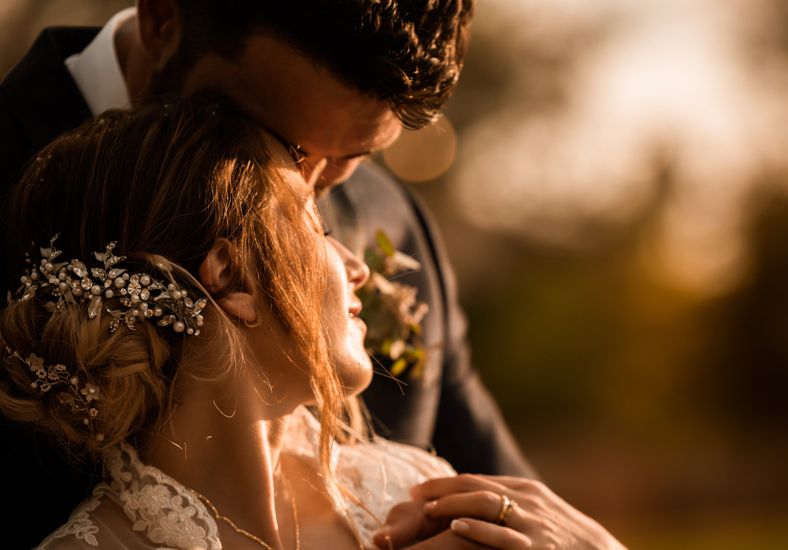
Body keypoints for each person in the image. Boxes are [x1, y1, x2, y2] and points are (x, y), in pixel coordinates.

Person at [0, 1, 533, 546]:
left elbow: (507, 492)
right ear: (162, 18)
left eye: (355, 153)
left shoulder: (394, 219)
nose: (315, 183)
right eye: (276, 139)